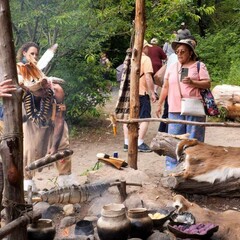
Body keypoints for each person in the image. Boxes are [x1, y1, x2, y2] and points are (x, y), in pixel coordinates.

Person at [16, 42, 76, 191]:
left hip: (53, 123)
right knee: (28, 152)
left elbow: (59, 119)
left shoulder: (56, 91)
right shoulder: (23, 88)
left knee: (62, 148)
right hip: (31, 124)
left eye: (37, 54)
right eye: (32, 53)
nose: (35, 56)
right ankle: (28, 186)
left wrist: (55, 146)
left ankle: (65, 184)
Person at [156, 38, 211, 170]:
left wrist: (193, 83)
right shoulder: (172, 67)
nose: (179, 54)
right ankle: (171, 170)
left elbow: (207, 83)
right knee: (174, 141)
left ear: (190, 53)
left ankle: (193, 169)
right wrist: (160, 103)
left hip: (193, 108)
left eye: (183, 51)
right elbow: (165, 87)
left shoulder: (198, 66)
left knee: (193, 141)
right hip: (174, 109)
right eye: (177, 51)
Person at [123, 40, 157, 153]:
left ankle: (127, 143)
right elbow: (148, 77)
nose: (148, 49)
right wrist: (152, 92)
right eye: (147, 47)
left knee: (127, 117)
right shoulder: (145, 59)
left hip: (127, 92)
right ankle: (139, 142)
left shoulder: (128, 58)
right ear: (143, 47)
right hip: (141, 92)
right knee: (145, 117)